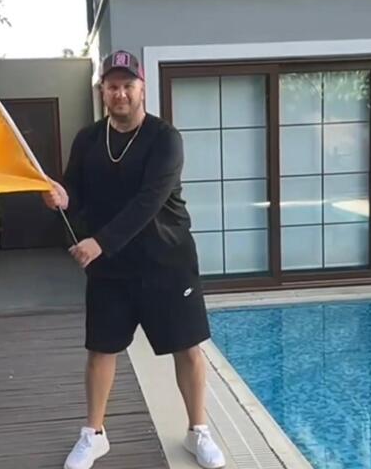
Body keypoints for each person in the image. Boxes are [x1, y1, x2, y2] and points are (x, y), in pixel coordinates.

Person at [42, 50, 226, 469]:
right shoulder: (88, 139)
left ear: (142, 88)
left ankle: (198, 431)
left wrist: (99, 242)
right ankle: (94, 435)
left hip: (167, 261)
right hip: (112, 269)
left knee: (187, 349)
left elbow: (149, 201)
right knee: (100, 350)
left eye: (128, 85)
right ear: (102, 91)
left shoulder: (165, 139)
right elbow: (75, 192)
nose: (120, 93)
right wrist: (61, 198)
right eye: (113, 86)